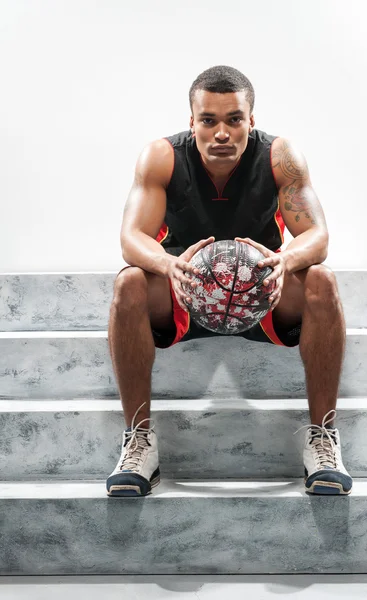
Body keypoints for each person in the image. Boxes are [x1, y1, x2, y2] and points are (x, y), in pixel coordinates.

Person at [106, 65, 352, 497]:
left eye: (234, 119)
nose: (222, 132)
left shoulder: (281, 156)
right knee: (129, 282)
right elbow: (131, 239)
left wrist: (283, 260)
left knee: (322, 280)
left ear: (250, 121)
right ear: (192, 122)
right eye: (209, 120)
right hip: (185, 291)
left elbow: (318, 235)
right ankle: (140, 440)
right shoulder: (161, 157)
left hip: (263, 296)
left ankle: (323, 438)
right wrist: (168, 266)